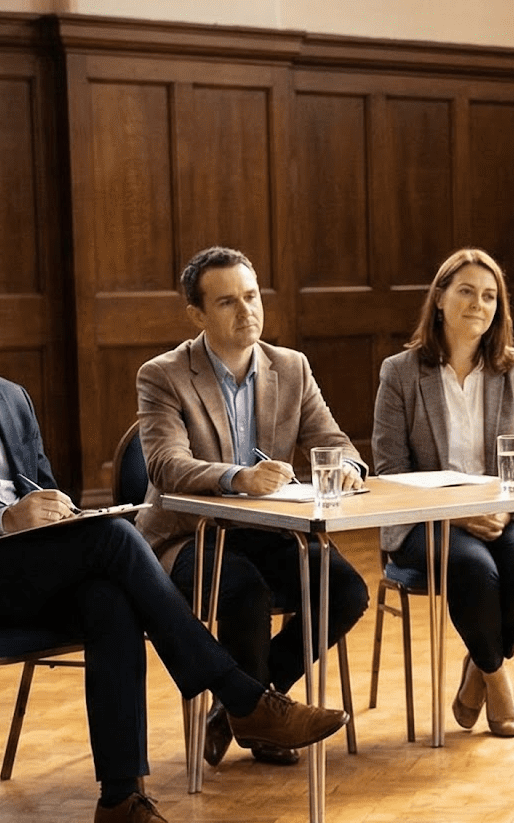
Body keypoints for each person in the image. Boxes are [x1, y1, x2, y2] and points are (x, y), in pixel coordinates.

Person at [0, 249, 348, 823]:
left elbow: (40, 490)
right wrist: (2, 519)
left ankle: (121, 801)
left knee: (108, 595)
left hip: (17, 572)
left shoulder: (11, 398)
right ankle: (242, 698)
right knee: (112, 540)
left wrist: (55, 512)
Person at [135, 246, 372, 768]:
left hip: (268, 530)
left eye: (251, 296)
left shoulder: (291, 367)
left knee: (345, 591)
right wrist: (237, 478)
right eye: (227, 302)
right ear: (197, 314)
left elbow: (334, 441)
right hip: (188, 535)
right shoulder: (163, 374)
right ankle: (262, 717)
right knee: (244, 588)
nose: (246, 311)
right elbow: (166, 465)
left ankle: (243, 705)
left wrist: (347, 468)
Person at [371, 247, 514, 738]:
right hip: (425, 519)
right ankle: (496, 680)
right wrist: (454, 515)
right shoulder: (400, 373)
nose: (478, 304)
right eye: (467, 291)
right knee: (475, 568)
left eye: (490, 296)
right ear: (440, 299)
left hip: (504, 513)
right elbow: (390, 472)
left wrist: (505, 512)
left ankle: (478, 668)